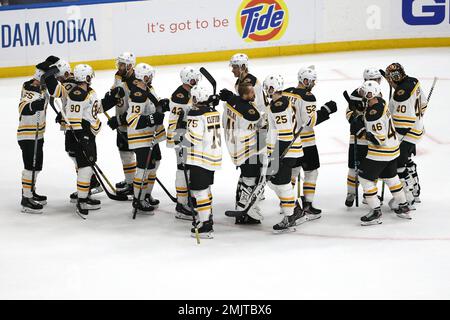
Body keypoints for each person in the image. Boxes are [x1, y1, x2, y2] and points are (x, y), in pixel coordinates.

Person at [283, 66, 337, 219]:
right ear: (305, 80)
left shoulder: (286, 92)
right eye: (312, 81)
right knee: (311, 172)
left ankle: (287, 203)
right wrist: (326, 110)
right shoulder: (308, 97)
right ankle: (307, 205)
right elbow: (309, 122)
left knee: (292, 172)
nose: (314, 84)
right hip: (306, 142)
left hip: (289, 142)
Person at [356, 80, 411, 225]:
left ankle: (375, 211)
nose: (361, 93)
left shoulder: (373, 114)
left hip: (381, 152)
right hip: (393, 149)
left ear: (369, 94)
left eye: (363, 92)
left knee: (364, 178)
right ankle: (403, 206)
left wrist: (361, 130)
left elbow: (378, 140)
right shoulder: (380, 101)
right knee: (391, 177)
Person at [263, 74, 307, 233]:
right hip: (284, 150)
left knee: (282, 184)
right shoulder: (281, 102)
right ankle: (295, 210)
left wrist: (276, 155)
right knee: (272, 182)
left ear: (271, 88)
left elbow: (286, 134)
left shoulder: (278, 106)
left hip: (285, 151)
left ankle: (290, 217)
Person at [179, 84, 221, 238]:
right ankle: (207, 217)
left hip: (200, 158)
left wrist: (182, 140)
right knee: (206, 188)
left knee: (199, 190)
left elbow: (194, 138)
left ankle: (205, 225)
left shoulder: (195, 113)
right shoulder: (213, 111)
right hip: (213, 156)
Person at [220, 82, 265, 224]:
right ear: (245, 95)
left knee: (245, 176)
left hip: (234, 146)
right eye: (252, 93)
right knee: (251, 178)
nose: (254, 94)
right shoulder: (251, 113)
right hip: (247, 149)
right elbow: (260, 124)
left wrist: (231, 97)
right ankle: (243, 209)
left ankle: (241, 205)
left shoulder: (231, 102)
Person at [125, 63, 167, 214]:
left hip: (150, 136)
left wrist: (161, 105)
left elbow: (152, 106)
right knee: (144, 168)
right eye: (149, 75)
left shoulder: (148, 89)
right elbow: (133, 119)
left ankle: (146, 194)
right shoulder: (137, 94)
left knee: (155, 163)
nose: (151, 77)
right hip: (140, 137)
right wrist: (153, 118)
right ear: (144, 76)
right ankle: (138, 199)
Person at [385, 62, 427, 207]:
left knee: (397, 164)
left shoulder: (399, 94)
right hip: (417, 129)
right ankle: (415, 191)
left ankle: (407, 198)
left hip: (407, 133)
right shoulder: (413, 81)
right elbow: (424, 104)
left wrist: (395, 140)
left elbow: (403, 122)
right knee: (407, 160)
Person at [166, 67, 202, 220]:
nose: (196, 82)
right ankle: (181, 205)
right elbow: (187, 114)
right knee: (182, 169)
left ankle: (188, 198)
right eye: (194, 79)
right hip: (180, 135)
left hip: (185, 135)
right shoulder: (180, 95)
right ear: (188, 80)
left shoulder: (186, 92)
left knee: (188, 167)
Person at [344, 68, 382, 207]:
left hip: (370, 139)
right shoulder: (356, 94)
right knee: (355, 167)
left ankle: (367, 194)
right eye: (375, 79)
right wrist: (356, 120)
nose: (378, 81)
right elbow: (348, 113)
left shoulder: (377, 92)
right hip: (360, 138)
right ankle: (351, 193)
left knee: (370, 168)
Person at [107, 52, 138, 197]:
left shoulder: (134, 83)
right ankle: (130, 181)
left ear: (130, 66)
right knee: (125, 154)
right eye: (118, 63)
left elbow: (135, 109)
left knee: (128, 154)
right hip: (122, 123)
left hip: (131, 125)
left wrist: (120, 120)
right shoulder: (119, 76)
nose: (119, 67)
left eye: (122, 64)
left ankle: (133, 184)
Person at [17, 68, 48, 213]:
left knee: (37, 166)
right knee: (30, 166)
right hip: (28, 135)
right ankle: (26, 199)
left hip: (37, 134)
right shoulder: (31, 89)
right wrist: (33, 106)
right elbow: (22, 107)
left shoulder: (41, 88)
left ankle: (31, 191)